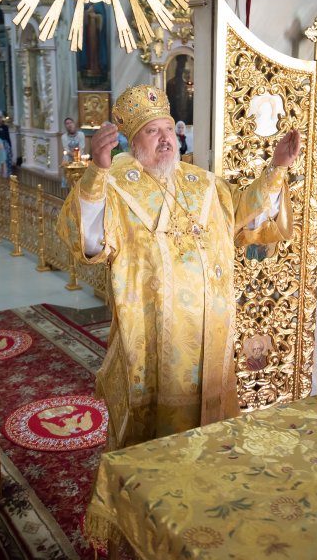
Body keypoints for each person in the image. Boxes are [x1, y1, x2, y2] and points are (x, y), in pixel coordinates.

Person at [57, 85, 300, 450]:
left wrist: (277, 168)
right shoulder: (116, 186)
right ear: (134, 143)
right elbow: (88, 242)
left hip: (211, 329)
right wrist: (97, 171)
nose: (165, 138)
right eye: (152, 131)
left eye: (168, 129)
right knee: (156, 441)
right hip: (152, 335)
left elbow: (245, 215)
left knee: (212, 434)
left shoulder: (203, 183)